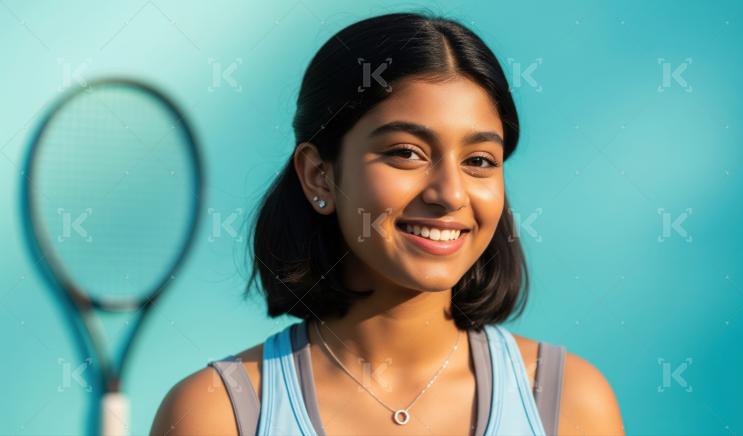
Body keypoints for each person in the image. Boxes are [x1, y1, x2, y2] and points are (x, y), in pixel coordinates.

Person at [151, 11, 624, 435]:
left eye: (479, 160)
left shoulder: (570, 404)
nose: (450, 194)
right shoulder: (214, 414)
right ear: (319, 174)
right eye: (406, 153)